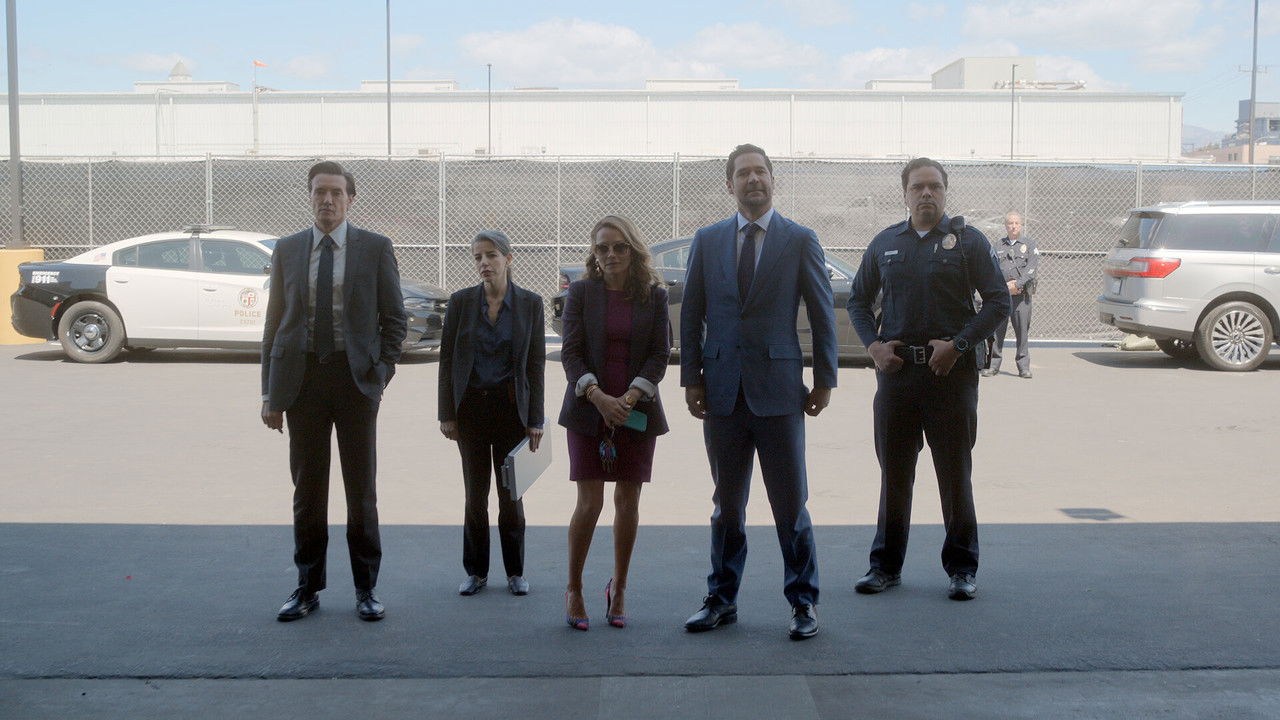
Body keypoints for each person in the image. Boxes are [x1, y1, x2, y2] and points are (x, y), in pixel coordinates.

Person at [680, 144, 837, 640]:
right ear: (729, 185)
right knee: (727, 506)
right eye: (744, 173)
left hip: (780, 393)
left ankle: (804, 602)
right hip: (722, 392)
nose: (753, 179)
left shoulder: (800, 239)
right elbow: (691, 314)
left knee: (790, 506)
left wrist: (825, 379)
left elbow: (822, 313)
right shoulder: (707, 241)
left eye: (761, 172)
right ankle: (721, 599)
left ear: (773, 179)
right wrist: (691, 378)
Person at [847, 157, 1009, 601]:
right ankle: (884, 567)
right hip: (897, 377)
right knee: (895, 475)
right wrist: (874, 346)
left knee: (954, 475)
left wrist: (958, 346)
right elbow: (858, 301)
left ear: (945, 191)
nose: (926, 193)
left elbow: (998, 302)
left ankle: (962, 569)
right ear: (904, 193)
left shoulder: (968, 242)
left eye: (934, 186)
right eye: (918, 186)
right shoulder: (885, 243)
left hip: (951, 378)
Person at [261, 160, 407, 622]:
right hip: (301, 381)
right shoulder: (287, 249)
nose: (327, 200)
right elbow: (274, 323)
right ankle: (307, 587)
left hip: (354, 382)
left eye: (336, 192)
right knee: (308, 490)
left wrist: (379, 374)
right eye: (319, 192)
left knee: (360, 490)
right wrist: (269, 393)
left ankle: (366, 588)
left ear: (350, 199)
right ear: (310, 196)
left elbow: (395, 319)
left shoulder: (375, 248)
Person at [559, 215, 671, 631]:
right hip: (588, 410)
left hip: (635, 411)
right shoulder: (581, 293)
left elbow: (660, 354)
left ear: (633, 250)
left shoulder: (653, 296)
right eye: (602, 247)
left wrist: (628, 398)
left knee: (628, 503)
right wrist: (598, 397)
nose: (611, 254)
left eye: (619, 246)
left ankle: (619, 587)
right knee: (589, 504)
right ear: (594, 252)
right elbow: (570, 353)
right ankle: (574, 589)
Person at [438, 230, 545, 597]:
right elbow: (447, 361)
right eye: (478, 257)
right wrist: (447, 413)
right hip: (470, 411)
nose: (484, 263)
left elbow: (535, 365)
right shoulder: (461, 303)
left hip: (511, 412)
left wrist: (535, 419)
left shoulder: (530, 304)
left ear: (508, 259)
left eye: (491, 255)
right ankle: (476, 572)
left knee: (511, 495)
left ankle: (515, 572)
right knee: (475, 494)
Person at [982, 211, 1039, 379]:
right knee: (996, 332)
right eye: (1010, 223)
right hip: (1002, 297)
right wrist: (1004, 287)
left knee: (1022, 333)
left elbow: (1031, 270)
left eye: (1016, 223)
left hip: (1021, 297)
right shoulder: (998, 245)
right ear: (1005, 226)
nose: (1013, 226)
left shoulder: (1029, 244)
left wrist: (1017, 285)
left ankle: (1023, 367)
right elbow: (991, 269)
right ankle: (993, 365)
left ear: (1021, 225)